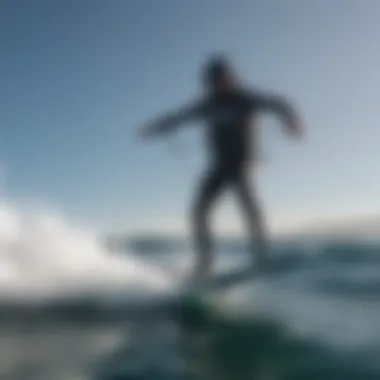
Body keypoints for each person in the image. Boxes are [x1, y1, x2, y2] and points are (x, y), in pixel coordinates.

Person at [138, 55, 304, 281]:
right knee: (199, 211)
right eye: (214, 80)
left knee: (247, 200)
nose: (219, 83)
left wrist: (292, 119)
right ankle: (205, 263)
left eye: (223, 78)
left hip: (245, 161)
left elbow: (278, 103)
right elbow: (179, 117)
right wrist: (155, 128)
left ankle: (262, 256)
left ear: (232, 78)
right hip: (219, 165)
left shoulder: (245, 98)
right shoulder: (208, 104)